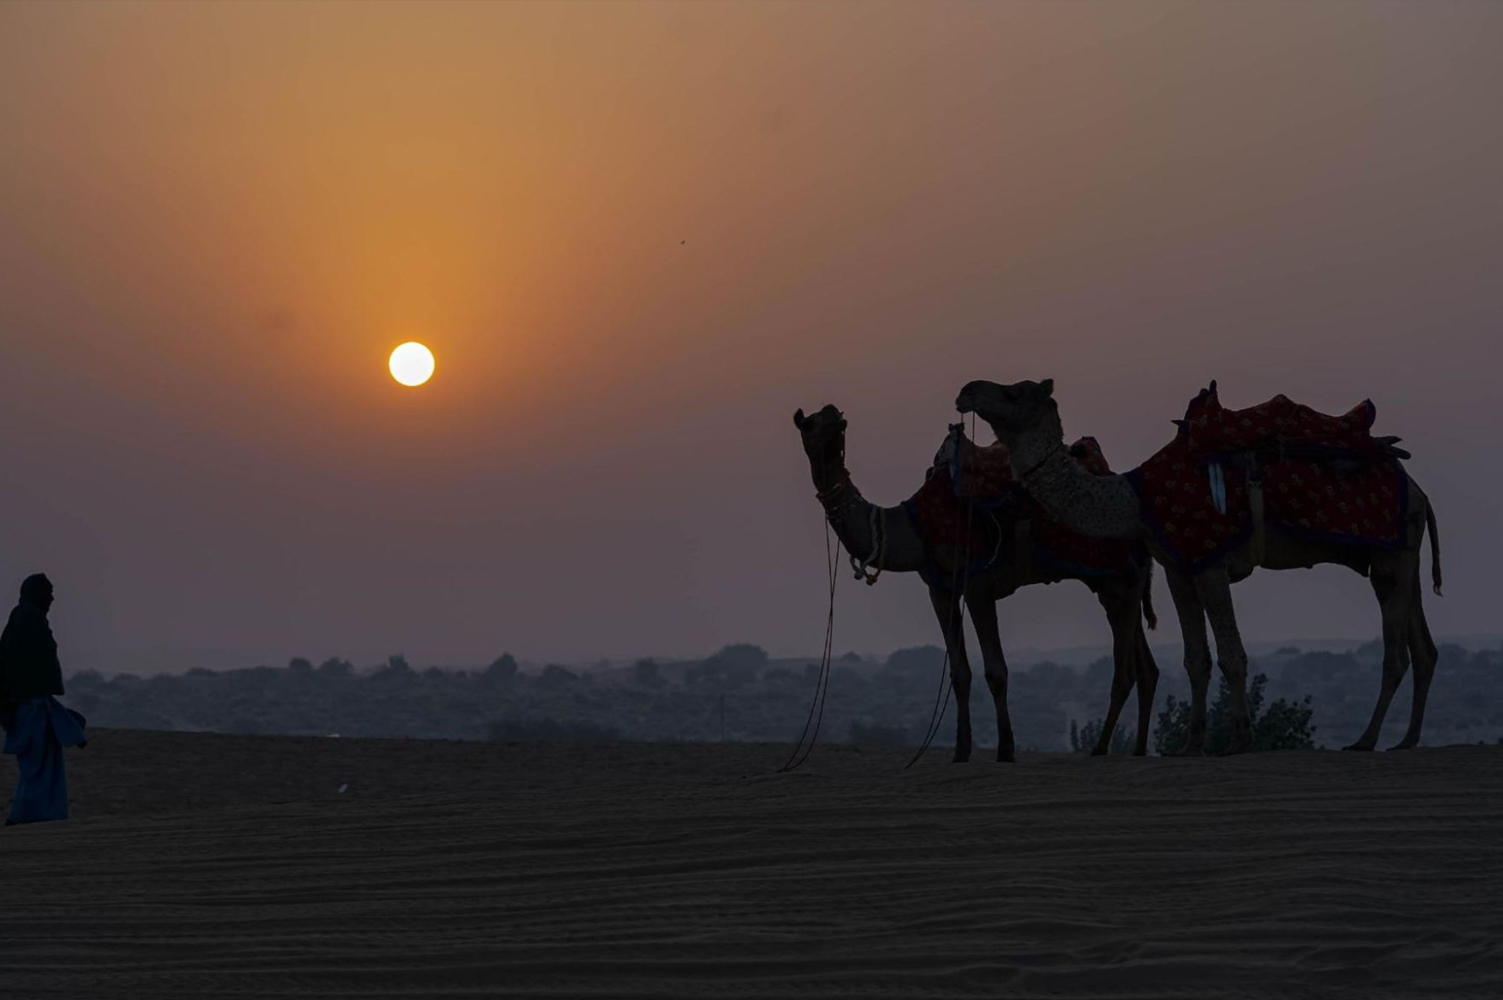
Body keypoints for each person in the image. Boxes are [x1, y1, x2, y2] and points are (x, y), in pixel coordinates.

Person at [0, 574, 86, 826]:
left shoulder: (24, 619)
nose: (51, 598)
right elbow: (19, 667)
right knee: (38, 766)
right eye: (47, 592)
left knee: (41, 765)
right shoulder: (28, 619)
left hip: (30, 705)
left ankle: (38, 815)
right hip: (29, 706)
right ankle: (26, 816)